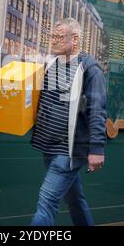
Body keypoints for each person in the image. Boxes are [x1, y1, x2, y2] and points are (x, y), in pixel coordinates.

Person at [30, 18, 107, 226]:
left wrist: (97, 149)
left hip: (69, 151)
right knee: (74, 200)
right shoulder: (51, 64)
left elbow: (97, 111)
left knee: (46, 203)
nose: (52, 41)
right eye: (52, 36)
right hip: (49, 146)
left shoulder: (91, 70)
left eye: (58, 37)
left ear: (75, 39)